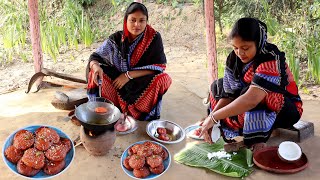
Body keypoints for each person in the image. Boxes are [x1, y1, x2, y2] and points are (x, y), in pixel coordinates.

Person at [199, 17, 303, 152]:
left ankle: (256, 138)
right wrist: (212, 117)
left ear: (258, 43)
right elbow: (229, 94)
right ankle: (241, 127)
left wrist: (214, 117)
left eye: (245, 48)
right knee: (217, 86)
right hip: (250, 100)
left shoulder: (271, 57)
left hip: (285, 109)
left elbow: (251, 100)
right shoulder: (233, 59)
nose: (240, 53)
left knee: (254, 95)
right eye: (235, 47)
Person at [87, 2, 172, 121]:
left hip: (141, 81)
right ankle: (112, 107)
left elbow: (159, 66)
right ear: (126, 20)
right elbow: (95, 56)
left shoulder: (154, 38)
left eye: (142, 20)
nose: (137, 24)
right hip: (118, 81)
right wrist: (96, 66)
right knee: (95, 73)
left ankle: (138, 111)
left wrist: (128, 75)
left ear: (147, 21)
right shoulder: (116, 38)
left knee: (164, 79)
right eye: (133, 20)